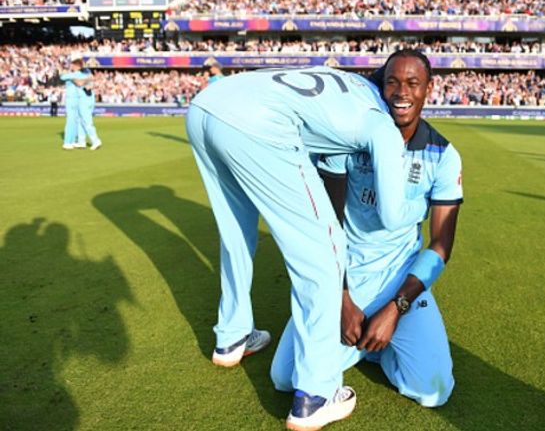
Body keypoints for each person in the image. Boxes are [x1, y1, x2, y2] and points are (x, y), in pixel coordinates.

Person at [186, 66, 427, 431]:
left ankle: (231, 337)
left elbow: (331, 174)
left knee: (235, 232)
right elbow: (394, 217)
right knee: (323, 256)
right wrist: (424, 204)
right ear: (384, 88)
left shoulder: (344, 81)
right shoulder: (379, 119)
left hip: (204, 107)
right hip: (262, 124)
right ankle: (316, 395)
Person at [271, 50, 463, 409]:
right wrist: (341, 296)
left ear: (429, 89)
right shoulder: (349, 141)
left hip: (399, 279)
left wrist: (395, 309)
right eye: (392, 81)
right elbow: (327, 222)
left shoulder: (444, 155)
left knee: (434, 391)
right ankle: (362, 346)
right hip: (347, 275)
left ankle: (382, 344)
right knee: (285, 379)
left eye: (412, 83)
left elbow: (440, 246)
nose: (400, 92)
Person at [59, 59, 88, 150]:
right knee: (76, 120)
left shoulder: (72, 74)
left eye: (73, 65)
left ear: (77, 66)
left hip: (71, 98)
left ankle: (68, 142)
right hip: (79, 99)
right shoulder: (83, 75)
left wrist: (63, 71)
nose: (71, 67)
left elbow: (62, 77)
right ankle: (73, 140)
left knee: (71, 120)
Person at [75, 67, 102, 150]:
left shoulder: (85, 78)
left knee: (86, 121)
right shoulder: (88, 77)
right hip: (86, 99)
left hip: (84, 100)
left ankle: (95, 141)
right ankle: (81, 141)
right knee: (80, 120)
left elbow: (87, 88)